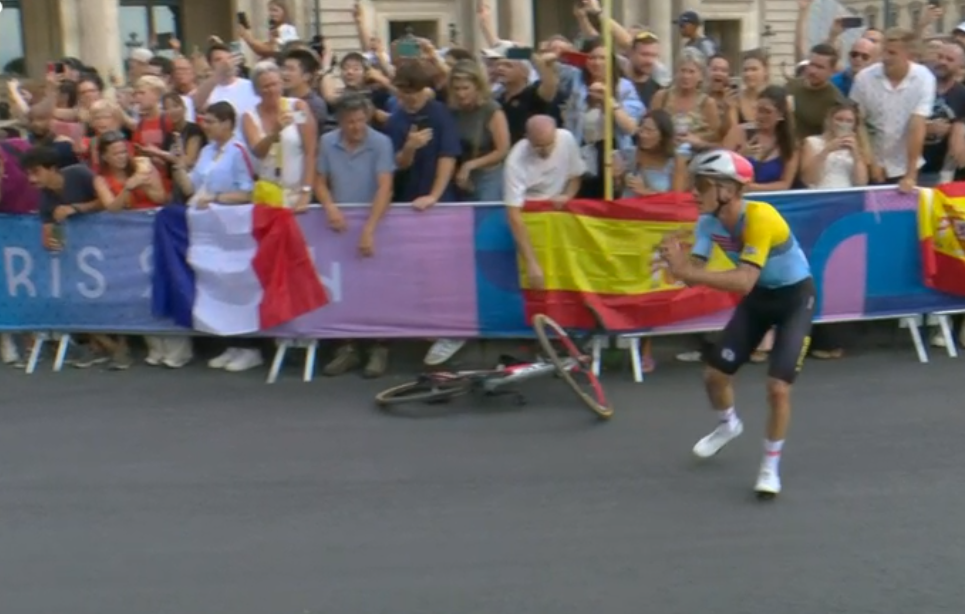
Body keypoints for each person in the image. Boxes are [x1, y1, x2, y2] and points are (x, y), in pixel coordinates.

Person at [658, 149, 814, 499]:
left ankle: (769, 466)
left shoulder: (761, 217)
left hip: (794, 298)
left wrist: (689, 272)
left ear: (727, 190)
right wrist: (676, 266)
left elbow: (743, 280)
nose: (694, 192)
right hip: (760, 298)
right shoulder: (708, 223)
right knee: (714, 376)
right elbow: (691, 276)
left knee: (778, 388)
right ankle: (728, 425)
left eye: (701, 184)